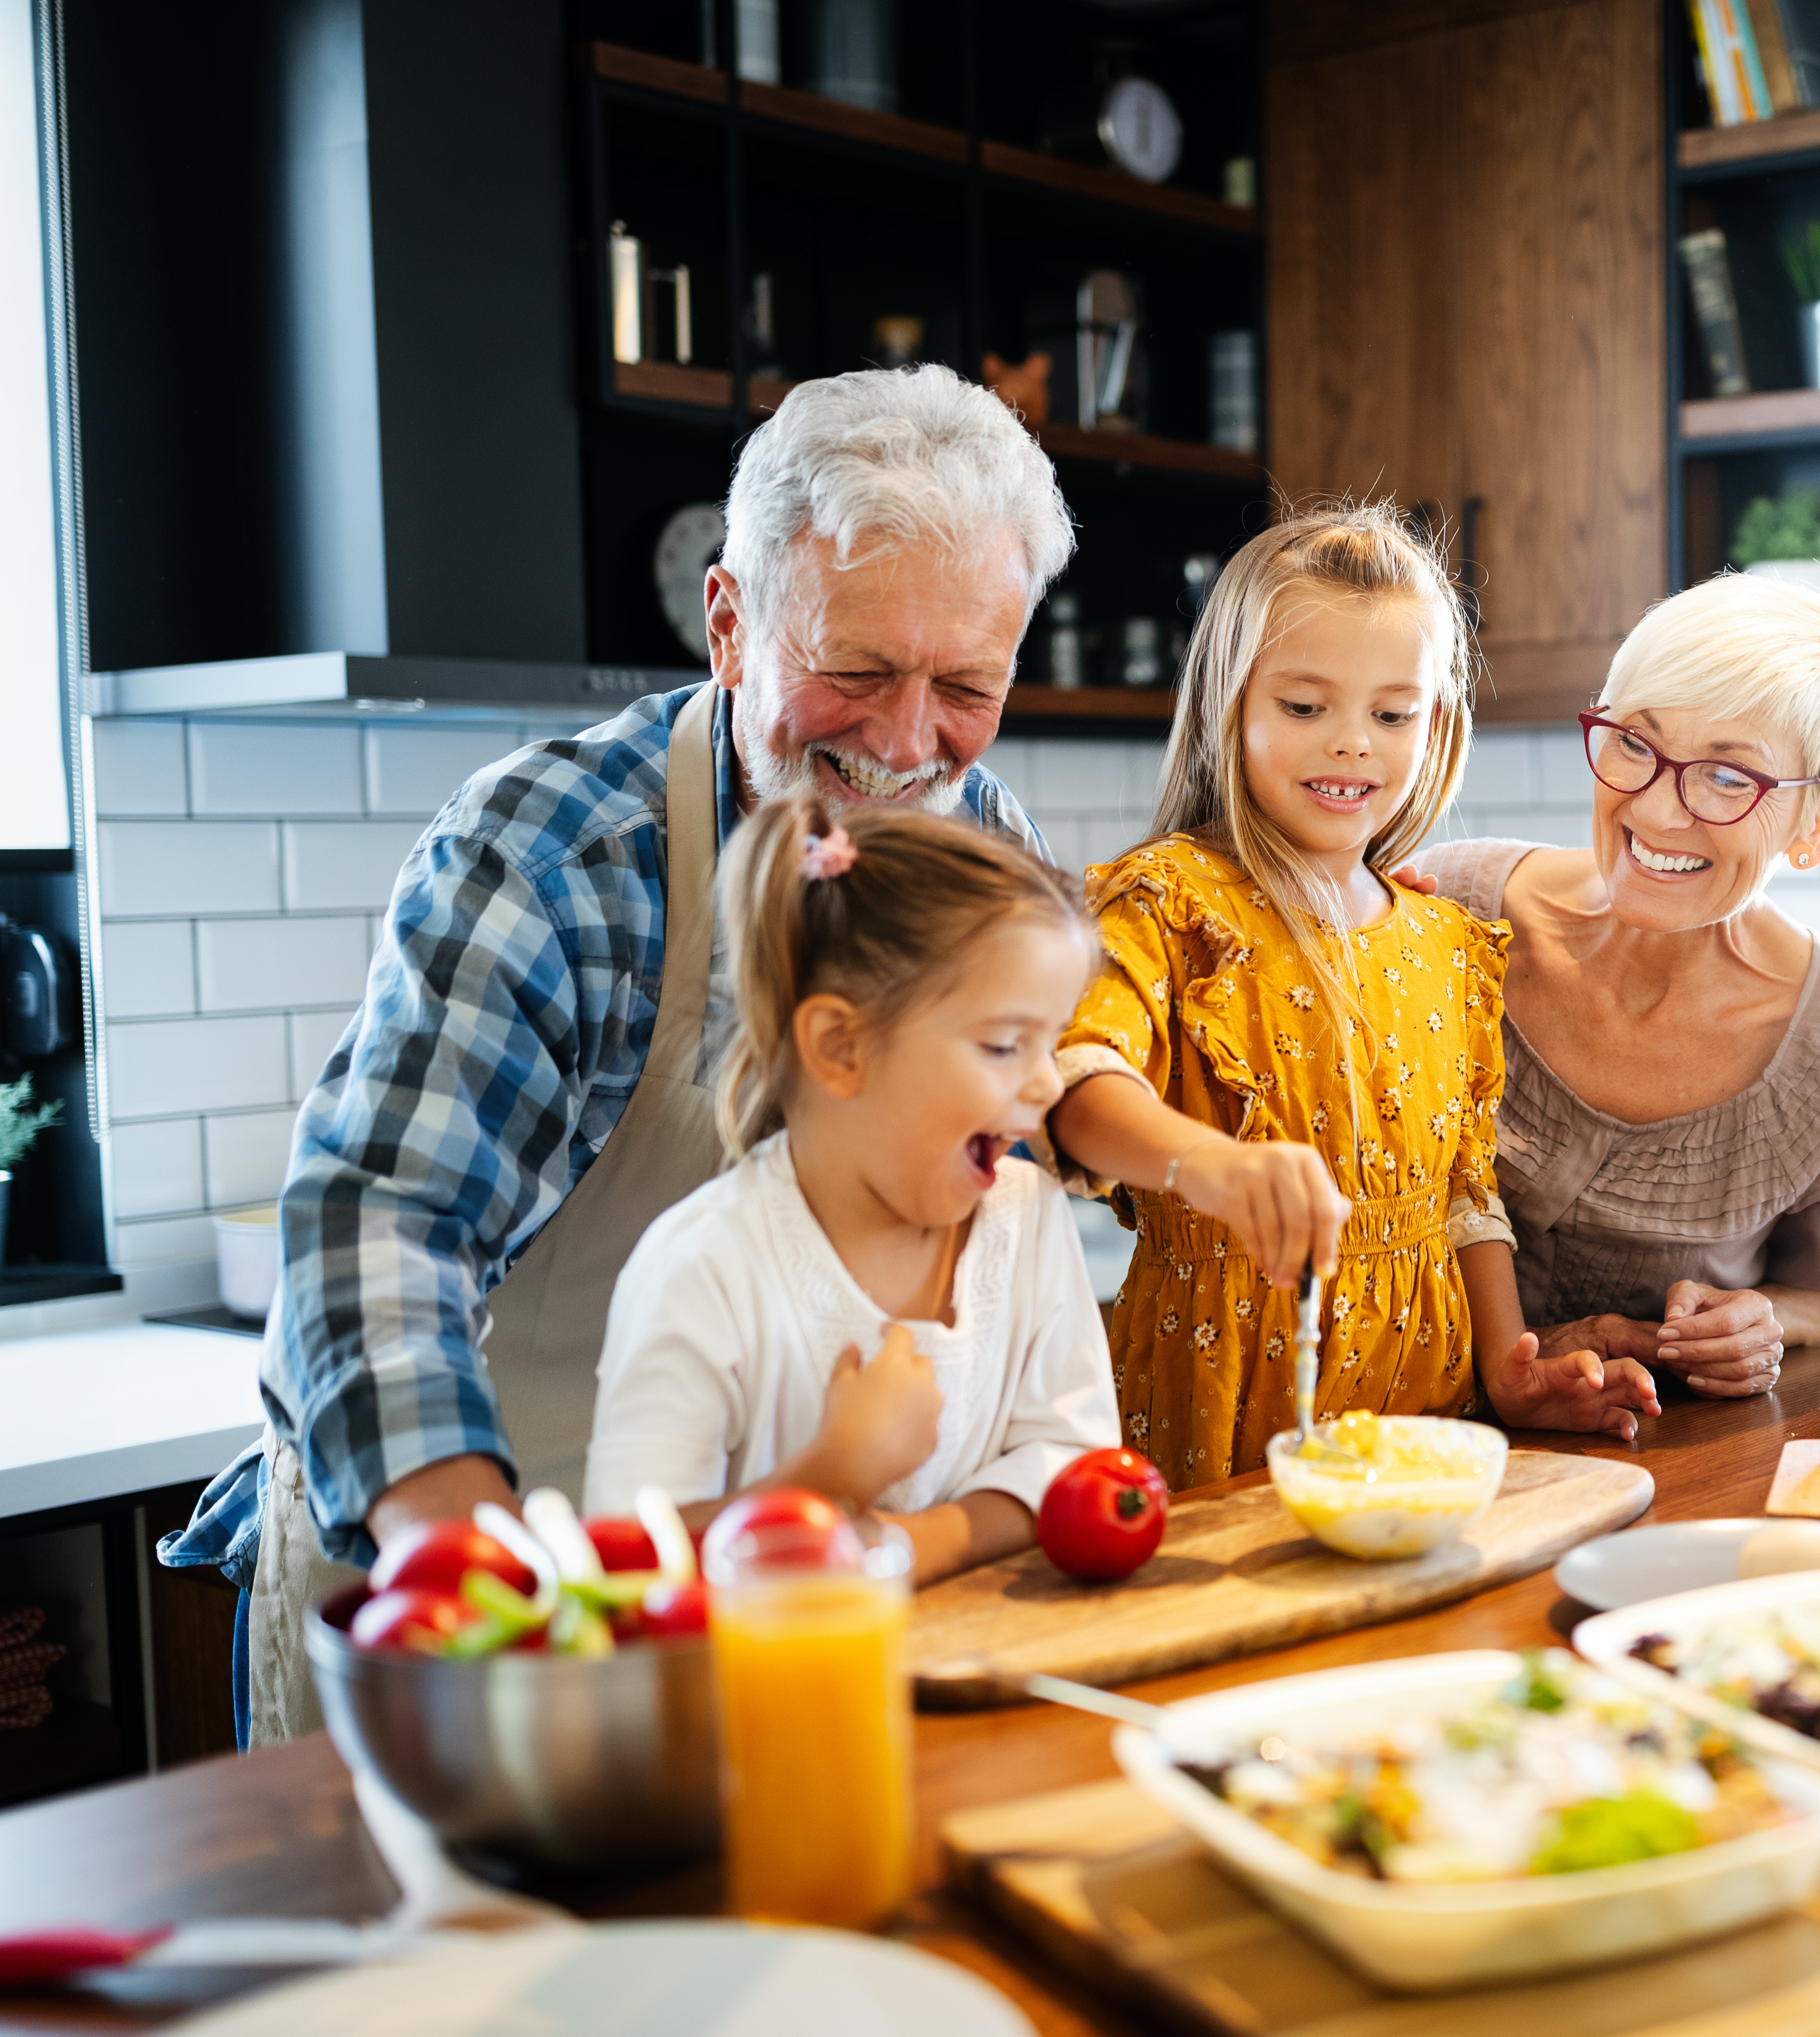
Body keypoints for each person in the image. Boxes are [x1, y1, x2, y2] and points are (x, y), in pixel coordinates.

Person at [161, 366, 1073, 1740]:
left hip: (776, 1597)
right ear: (730, 622)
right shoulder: (556, 852)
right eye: (855, 671)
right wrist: (465, 1581)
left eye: (967, 684)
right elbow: (380, 1223)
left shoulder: (983, 845)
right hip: (487, 1570)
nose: (904, 743)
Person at [1037, 501, 1659, 1489]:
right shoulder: (1168, 902)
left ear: (1436, 721)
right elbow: (1075, 1085)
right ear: (1226, 705)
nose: (1353, 745)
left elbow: (1466, 1193)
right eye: (1303, 707)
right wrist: (1208, 1168)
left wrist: (1512, 1370)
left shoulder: (1448, 943)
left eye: (1391, 713)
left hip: (1427, 1420)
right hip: (1221, 1413)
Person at [1411, 572, 1820, 1399]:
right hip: (1377, 1463)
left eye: (1730, 778)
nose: (1657, 813)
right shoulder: (1446, 912)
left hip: (1665, 1491)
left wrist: (1767, 1317)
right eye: (1634, 743)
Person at [581, 797, 1115, 1582]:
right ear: (840, 1048)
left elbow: (1071, 1461)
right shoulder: (704, 1266)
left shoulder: (1025, 1218)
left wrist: (910, 1546)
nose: (1045, 1084)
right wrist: (837, 1474)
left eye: (1053, 1040)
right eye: (1005, 1045)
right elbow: (628, 1565)